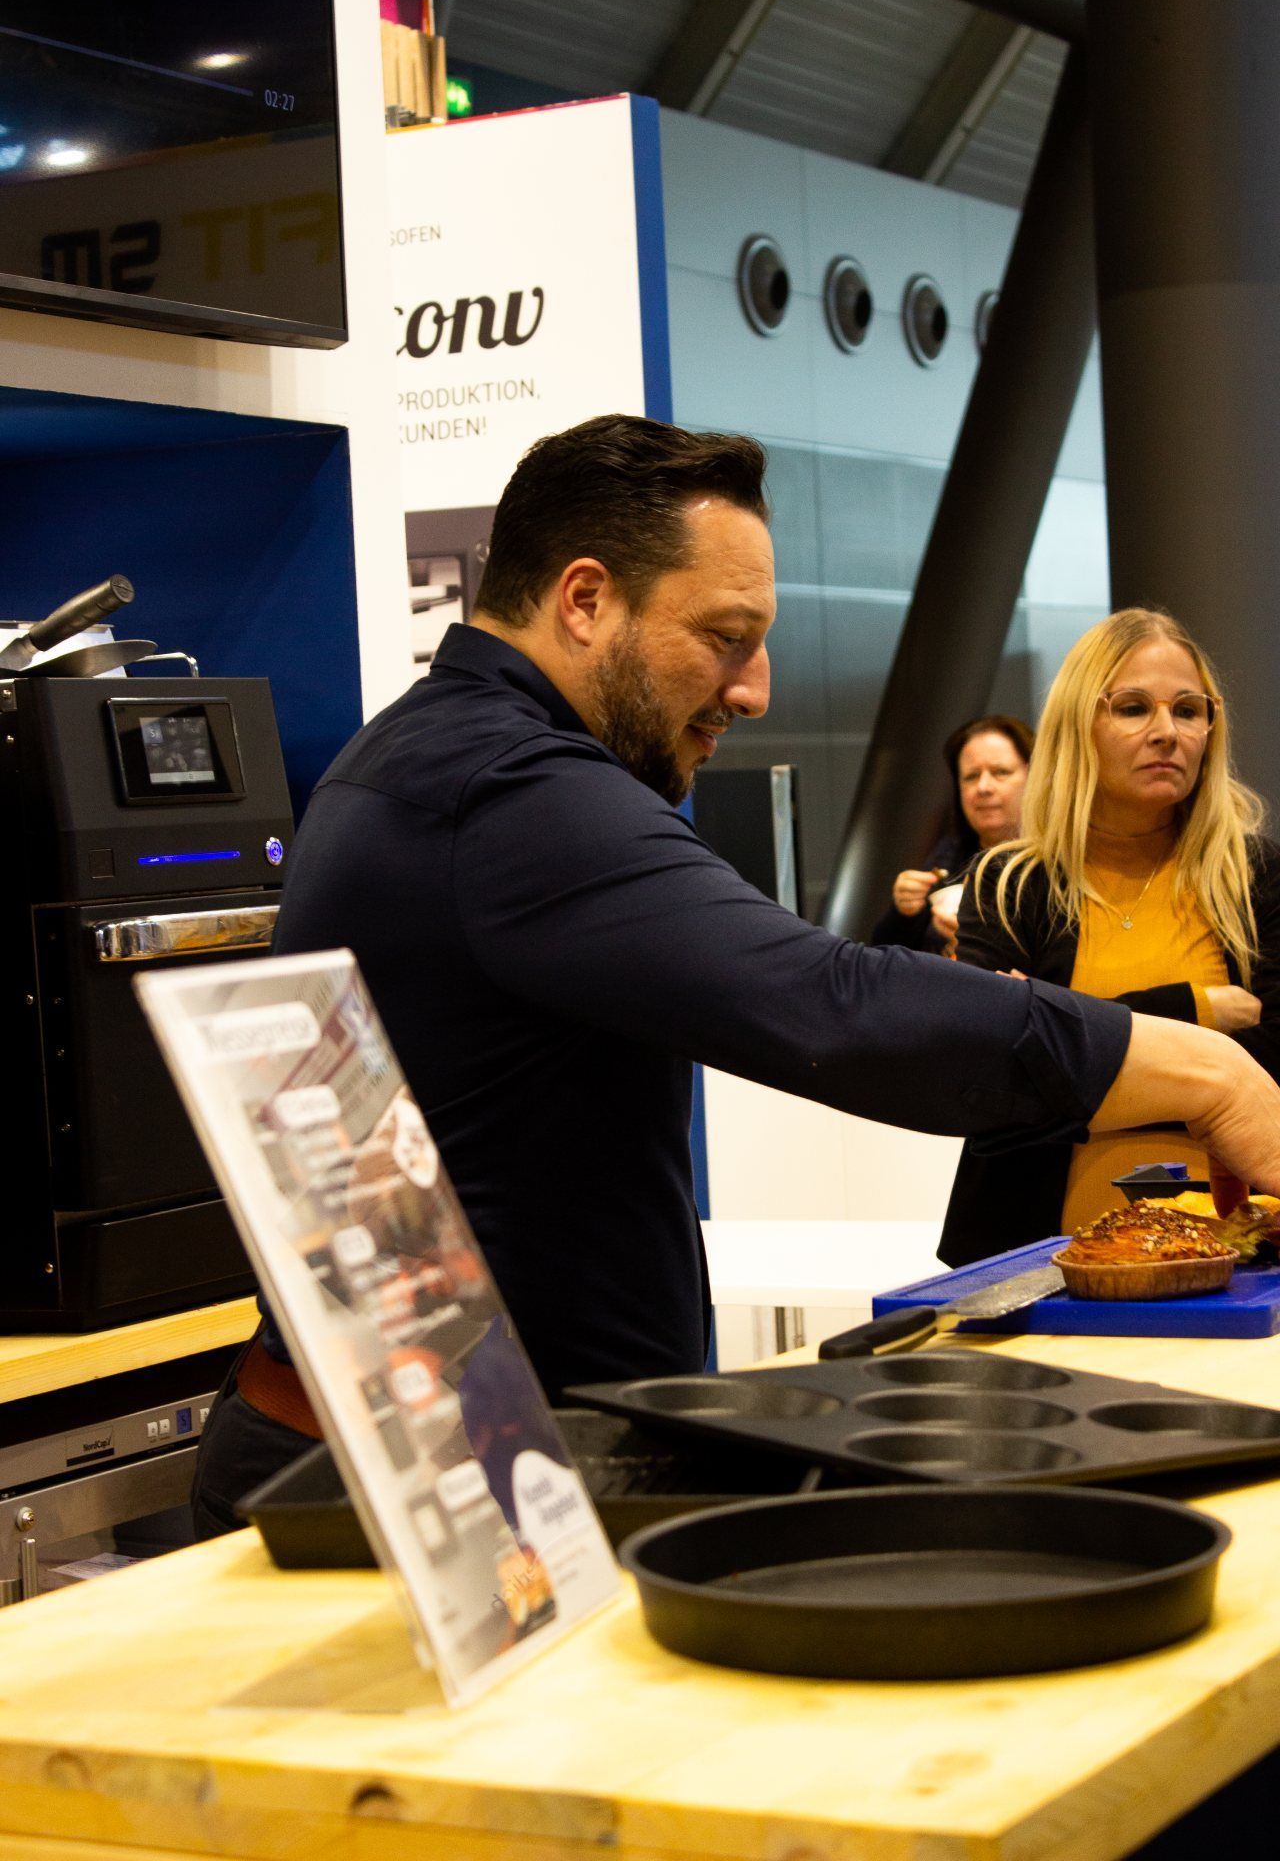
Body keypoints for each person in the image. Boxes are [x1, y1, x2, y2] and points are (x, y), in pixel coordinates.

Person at [191, 418, 1280, 1537]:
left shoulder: (438, 754)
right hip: (423, 1499)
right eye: (723, 637)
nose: (751, 689)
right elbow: (832, 1006)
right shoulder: (507, 787)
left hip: (465, 1463)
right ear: (583, 600)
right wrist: (1206, 1072)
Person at [940, 607, 1280, 1267]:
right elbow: (992, 1081)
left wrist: (1064, 1041)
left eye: (1189, 709)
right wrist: (1198, 1012)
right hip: (1032, 1252)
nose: (1166, 732)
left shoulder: (1258, 875)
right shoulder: (1011, 883)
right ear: (1079, 725)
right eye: (1131, 708)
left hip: (1242, 1250)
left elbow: (1273, 1063)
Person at [872, 715, 1034, 954]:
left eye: (1000, 772)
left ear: (1036, 778)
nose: (983, 788)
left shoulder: (1056, 863)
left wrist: (979, 947)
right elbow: (885, 956)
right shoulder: (950, 854)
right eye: (971, 776)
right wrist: (904, 912)